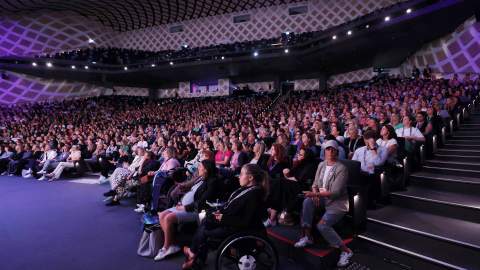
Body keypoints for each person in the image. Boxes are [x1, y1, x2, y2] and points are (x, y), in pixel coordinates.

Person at [182, 164, 268, 269]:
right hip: (231, 222)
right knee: (206, 219)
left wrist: (221, 218)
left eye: (241, 174)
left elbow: (245, 220)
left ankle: (194, 254)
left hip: (239, 229)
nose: (238, 176)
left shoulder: (254, 194)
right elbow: (232, 207)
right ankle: (195, 256)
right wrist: (218, 212)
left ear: (250, 178)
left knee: (206, 227)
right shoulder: (245, 189)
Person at [293, 140, 353, 267]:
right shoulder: (321, 165)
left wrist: (315, 194)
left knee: (322, 226)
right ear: (324, 151)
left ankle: (346, 251)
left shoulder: (342, 168)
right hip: (322, 197)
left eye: (333, 149)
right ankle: (308, 237)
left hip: (337, 203)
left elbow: (336, 192)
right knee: (307, 202)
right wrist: (314, 192)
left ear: (337, 152)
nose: (330, 151)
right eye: (328, 149)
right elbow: (315, 184)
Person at [154, 160, 221, 261]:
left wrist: (185, 207)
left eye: (200, 167)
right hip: (185, 206)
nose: (198, 168)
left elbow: (202, 201)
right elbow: (192, 189)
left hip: (196, 210)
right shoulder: (201, 178)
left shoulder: (213, 182)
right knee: (162, 215)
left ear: (206, 170)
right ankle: (171, 244)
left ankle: (166, 247)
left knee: (168, 218)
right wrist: (183, 197)